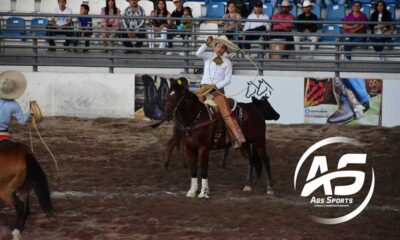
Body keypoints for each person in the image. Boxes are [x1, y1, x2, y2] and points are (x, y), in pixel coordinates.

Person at [195, 36, 245, 148]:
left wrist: (215, 87)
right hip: (203, 88)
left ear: (225, 50)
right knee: (192, 107)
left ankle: (236, 137)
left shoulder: (227, 63)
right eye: (218, 46)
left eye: (223, 47)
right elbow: (198, 53)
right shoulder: (208, 56)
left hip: (218, 91)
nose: (220, 49)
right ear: (215, 47)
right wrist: (206, 44)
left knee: (226, 114)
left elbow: (228, 80)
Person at [0, 71, 32, 140]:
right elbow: (22, 121)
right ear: (13, 90)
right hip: (3, 132)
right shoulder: (14, 105)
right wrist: (29, 114)